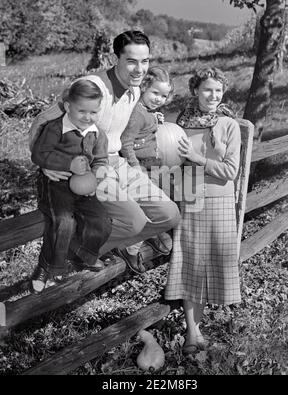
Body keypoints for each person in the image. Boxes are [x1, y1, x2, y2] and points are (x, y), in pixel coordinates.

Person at [28, 30, 181, 275]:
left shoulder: (135, 91)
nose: (139, 69)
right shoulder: (92, 86)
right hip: (86, 167)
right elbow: (43, 121)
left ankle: (99, 248)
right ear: (116, 58)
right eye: (131, 61)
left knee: (170, 215)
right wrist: (46, 162)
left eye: (145, 61)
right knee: (134, 221)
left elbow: (124, 131)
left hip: (116, 162)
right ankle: (75, 254)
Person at [164, 67, 241, 354]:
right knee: (190, 263)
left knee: (211, 263)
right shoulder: (180, 122)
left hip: (220, 200)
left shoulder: (228, 125)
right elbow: (169, 157)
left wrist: (198, 159)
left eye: (218, 90)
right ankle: (192, 333)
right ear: (196, 90)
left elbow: (230, 171)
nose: (213, 95)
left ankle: (200, 326)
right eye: (208, 89)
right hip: (189, 197)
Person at [30, 79, 112, 293]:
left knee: (102, 221)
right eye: (82, 111)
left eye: (94, 112)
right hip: (55, 182)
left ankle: (84, 254)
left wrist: (95, 178)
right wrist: (68, 164)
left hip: (84, 185)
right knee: (63, 221)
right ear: (68, 107)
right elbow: (39, 154)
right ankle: (48, 267)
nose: (88, 117)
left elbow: (102, 160)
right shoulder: (55, 128)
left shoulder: (98, 133)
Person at [119, 66, 174, 262]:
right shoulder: (137, 114)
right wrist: (135, 166)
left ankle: (152, 234)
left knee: (160, 201)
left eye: (164, 96)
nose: (159, 99)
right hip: (140, 166)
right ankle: (131, 249)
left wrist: (155, 119)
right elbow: (126, 142)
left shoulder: (147, 112)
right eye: (155, 93)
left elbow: (146, 128)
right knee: (148, 206)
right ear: (144, 87)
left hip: (152, 164)